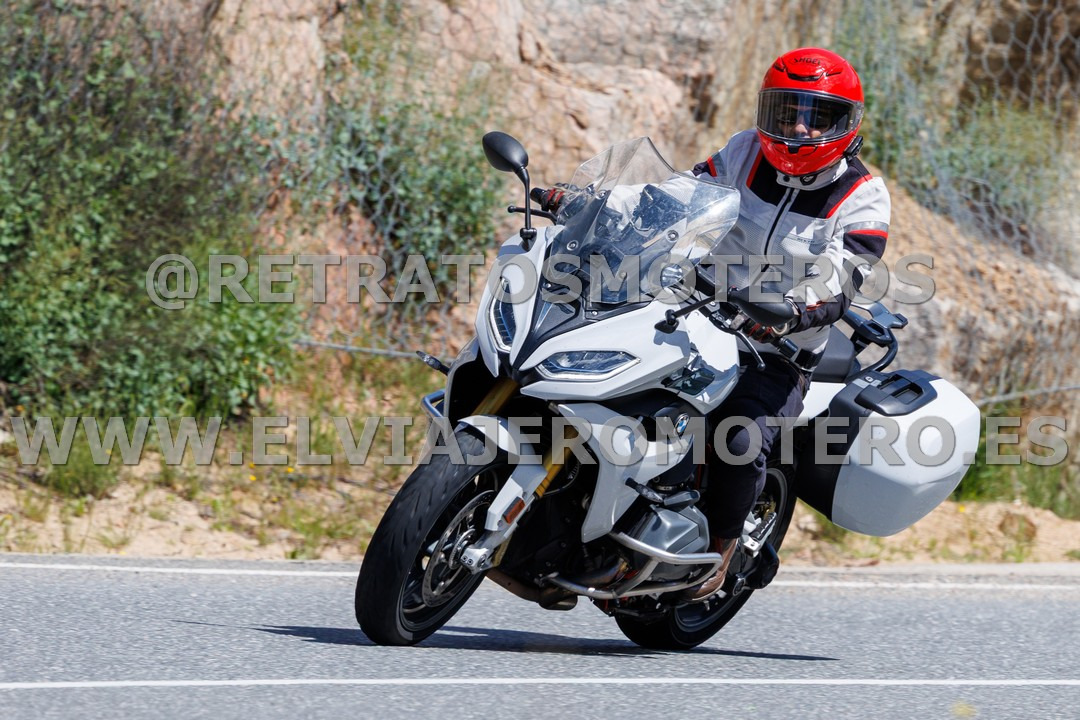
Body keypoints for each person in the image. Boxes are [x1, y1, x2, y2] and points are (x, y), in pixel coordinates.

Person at [682, 47, 891, 600]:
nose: (798, 127)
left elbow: (843, 277)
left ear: (846, 123)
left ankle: (719, 555)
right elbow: (682, 195)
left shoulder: (863, 196)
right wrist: (603, 206)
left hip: (774, 350)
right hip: (695, 313)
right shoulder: (744, 151)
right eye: (786, 111)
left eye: (816, 115)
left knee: (739, 437)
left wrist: (791, 312)